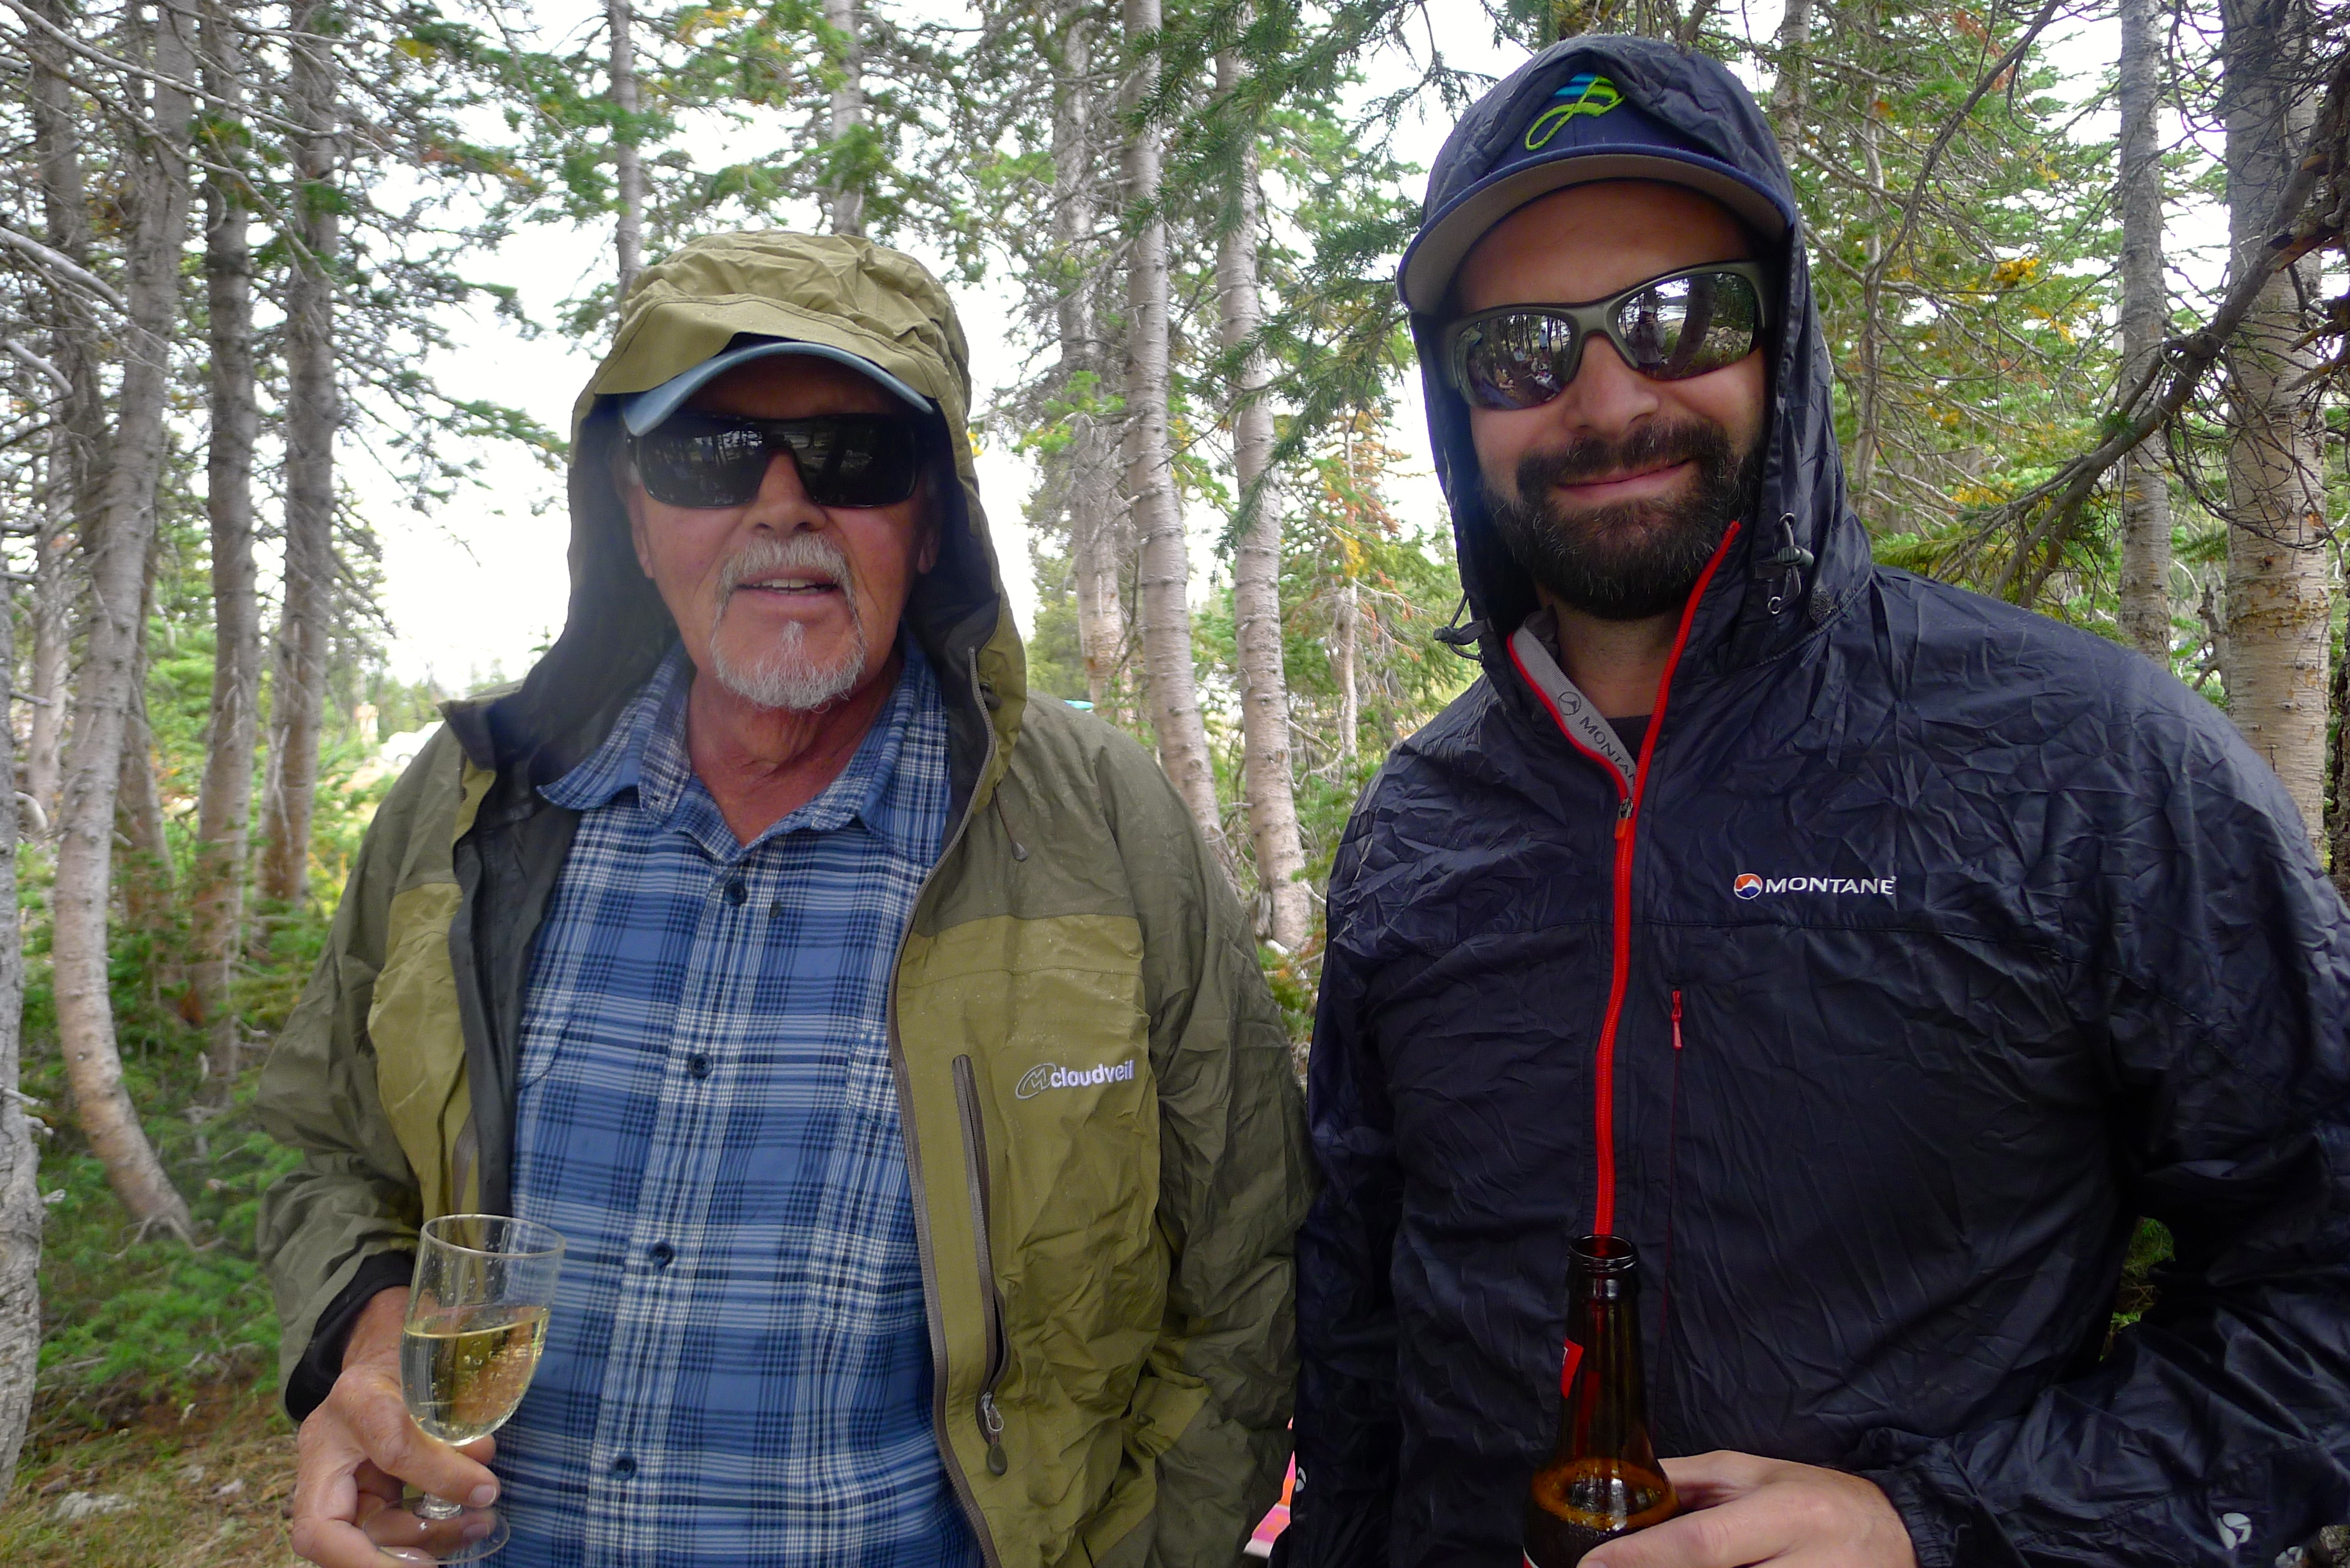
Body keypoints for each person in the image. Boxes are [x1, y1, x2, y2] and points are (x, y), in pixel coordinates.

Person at [1281, 35, 2350, 1568]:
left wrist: (1935, 1524)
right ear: (1459, 405)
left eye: (1677, 317)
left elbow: (2319, 1290)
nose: (1603, 396)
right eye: (1520, 348)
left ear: (1781, 345)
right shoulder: (1418, 823)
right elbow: (1358, 1323)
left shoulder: (2092, 763)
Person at [258, 231, 1308, 1568]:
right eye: (708, 455)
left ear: (933, 517)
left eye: (851, 456)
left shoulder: (1102, 829)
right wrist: (370, 1337)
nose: (781, 505)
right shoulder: (474, 804)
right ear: (634, 515)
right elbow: (327, 1145)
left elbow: (1244, 1275)